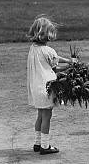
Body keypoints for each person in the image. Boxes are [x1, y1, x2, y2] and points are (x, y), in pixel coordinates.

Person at [26, 16, 73, 155]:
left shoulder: (33, 48)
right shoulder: (49, 50)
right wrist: (70, 66)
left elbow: (54, 58)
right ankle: (45, 146)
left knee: (40, 115)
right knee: (47, 116)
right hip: (47, 87)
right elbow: (55, 67)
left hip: (36, 87)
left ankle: (37, 142)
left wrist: (68, 60)